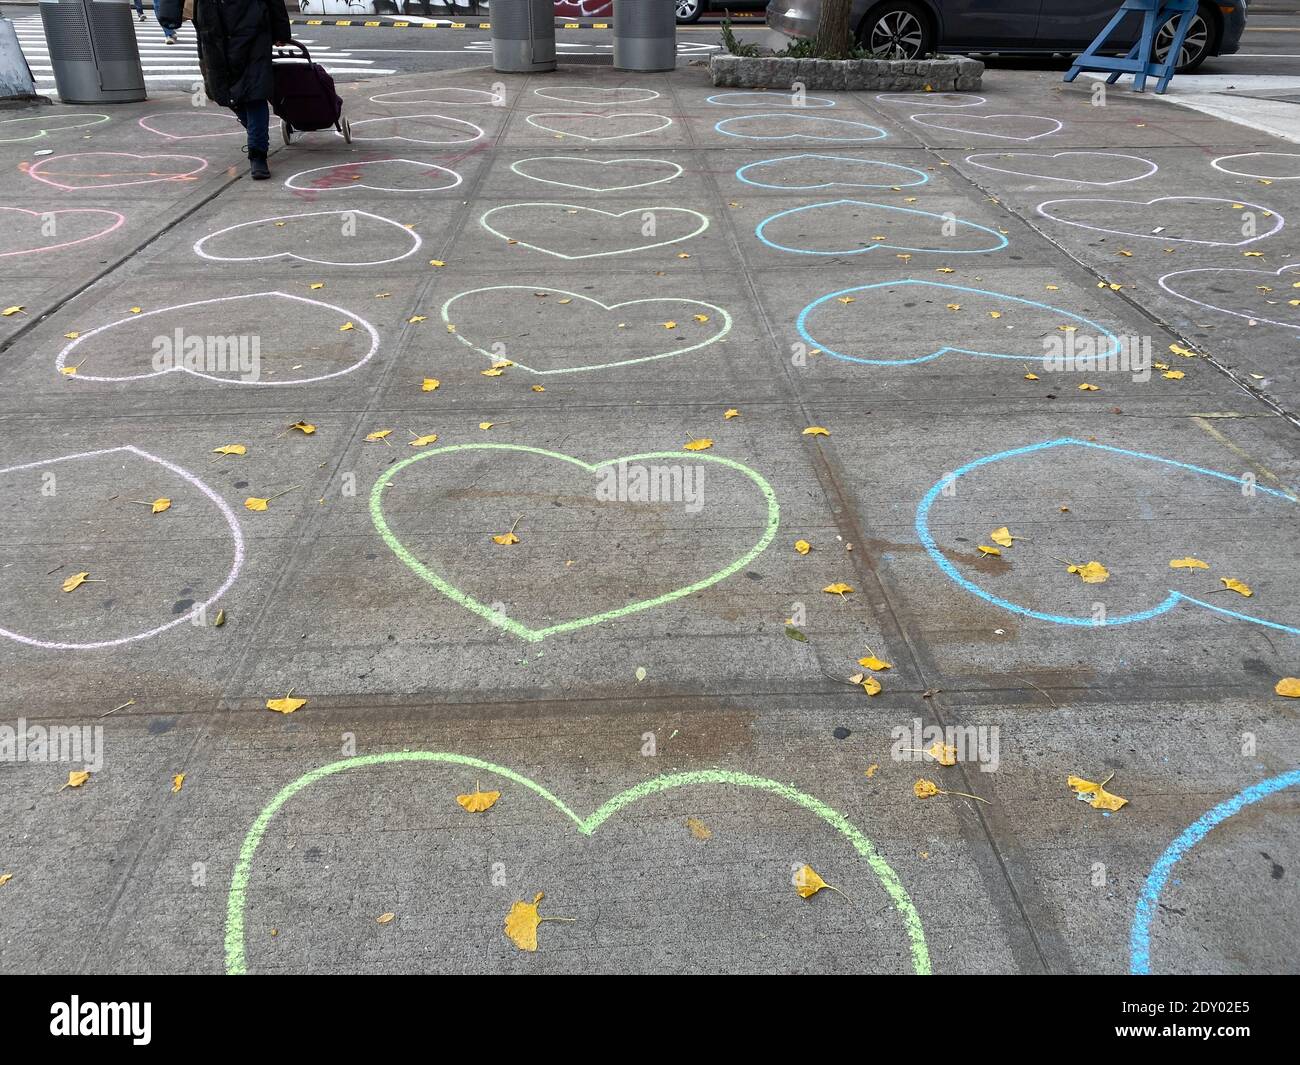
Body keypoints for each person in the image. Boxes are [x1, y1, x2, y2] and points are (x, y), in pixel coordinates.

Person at [192, 0, 291, 181]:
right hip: (214, 29)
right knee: (224, 94)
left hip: (252, 30)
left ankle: (257, 154)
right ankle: (256, 134)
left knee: (254, 94)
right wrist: (169, 16)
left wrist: (281, 31)